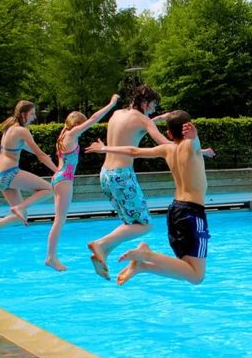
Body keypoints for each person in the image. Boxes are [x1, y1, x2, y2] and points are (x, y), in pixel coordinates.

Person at [87, 110, 208, 285]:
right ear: (189, 130)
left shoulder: (167, 149)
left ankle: (143, 266)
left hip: (175, 211)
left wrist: (104, 148)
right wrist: (194, 137)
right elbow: (192, 144)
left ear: (168, 134)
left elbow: (133, 151)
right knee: (197, 276)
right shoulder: (191, 146)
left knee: (189, 269)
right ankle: (146, 255)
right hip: (192, 213)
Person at [83, 85, 181, 280]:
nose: (154, 109)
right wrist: (193, 150)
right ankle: (101, 244)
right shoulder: (142, 119)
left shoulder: (118, 114)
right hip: (122, 176)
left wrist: (158, 119)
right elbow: (164, 144)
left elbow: (132, 129)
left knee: (129, 223)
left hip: (106, 175)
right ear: (144, 102)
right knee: (144, 224)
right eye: (153, 105)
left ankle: (104, 253)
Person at [45, 94, 120, 271]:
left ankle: (51, 256)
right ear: (77, 124)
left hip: (59, 177)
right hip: (64, 179)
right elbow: (94, 119)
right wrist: (111, 104)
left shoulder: (63, 134)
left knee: (59, 220)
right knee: (59, 220)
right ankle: (50, 257)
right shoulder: (71, 134)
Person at [0, 100, 58, 250]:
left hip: (1, 176)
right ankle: (20, 207)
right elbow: (40, 156)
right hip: (10, 173)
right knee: (50, 189)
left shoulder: (9, 128)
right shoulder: (22, 131)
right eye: (32, 114)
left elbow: (26, 148)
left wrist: (41, 154)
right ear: (23, 114)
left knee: (21, 217)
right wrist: (58, 171)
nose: (34, 117)